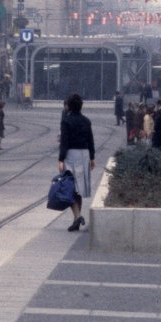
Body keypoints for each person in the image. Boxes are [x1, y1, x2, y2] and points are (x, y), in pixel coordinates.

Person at [58, 93, 95, 232]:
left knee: (69, 188)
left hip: (71, 155)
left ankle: (78, 216)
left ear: (69, 106)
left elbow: (64, 142)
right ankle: (76, 219)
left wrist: (61, 159)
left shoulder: (66, 121)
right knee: (79, 189)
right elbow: (90, 140)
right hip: (84, 154)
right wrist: (92, 157)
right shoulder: (86, 121)